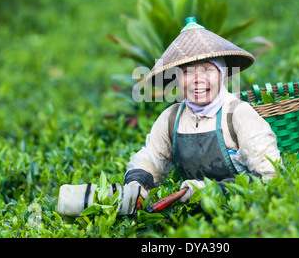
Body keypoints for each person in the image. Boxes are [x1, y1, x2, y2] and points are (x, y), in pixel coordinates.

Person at [57, 17, 281, 217]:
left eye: (207, 70)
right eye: (188, 72)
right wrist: (138, 182)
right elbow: (151, 158)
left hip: (239, 216)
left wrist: (211, 190)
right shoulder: (172, 117)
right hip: (187, 218)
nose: (198, 79)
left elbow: (270, 176)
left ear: (221, 74)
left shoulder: (238, 114)